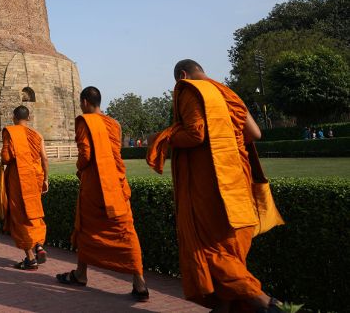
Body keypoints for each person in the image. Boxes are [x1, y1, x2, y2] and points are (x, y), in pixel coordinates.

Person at [146, 59, 284, 312]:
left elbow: (195, 134)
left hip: (210, 186)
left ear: (183, 76)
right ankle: (223, 307)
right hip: (237, 184)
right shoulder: (227, 92)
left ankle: (266, 303)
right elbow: (254, 134)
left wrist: (162, 137)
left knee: (210, 250)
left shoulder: (189, 89)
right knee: (230, 248)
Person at [55, 86, 149, 302]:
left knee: (86, 228)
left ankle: (81, 274)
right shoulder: (114, 124)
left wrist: (79, 168)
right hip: (116, 183)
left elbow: (86, 154)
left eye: (81, 103)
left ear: (85, 102)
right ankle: (139, 281)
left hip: (95, 186)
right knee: (125, 229)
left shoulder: (85, 121)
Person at [0, 105, 49, 270]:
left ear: (14, 117)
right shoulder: (37, 135)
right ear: (28, 118)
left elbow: (6, 157)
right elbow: (45, 159)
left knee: (20, 216)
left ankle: (30, 258)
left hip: (19, 179)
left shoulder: (11, 132)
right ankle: (39, 246)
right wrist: (46, 180)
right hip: (35, 177)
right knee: (34, 212)